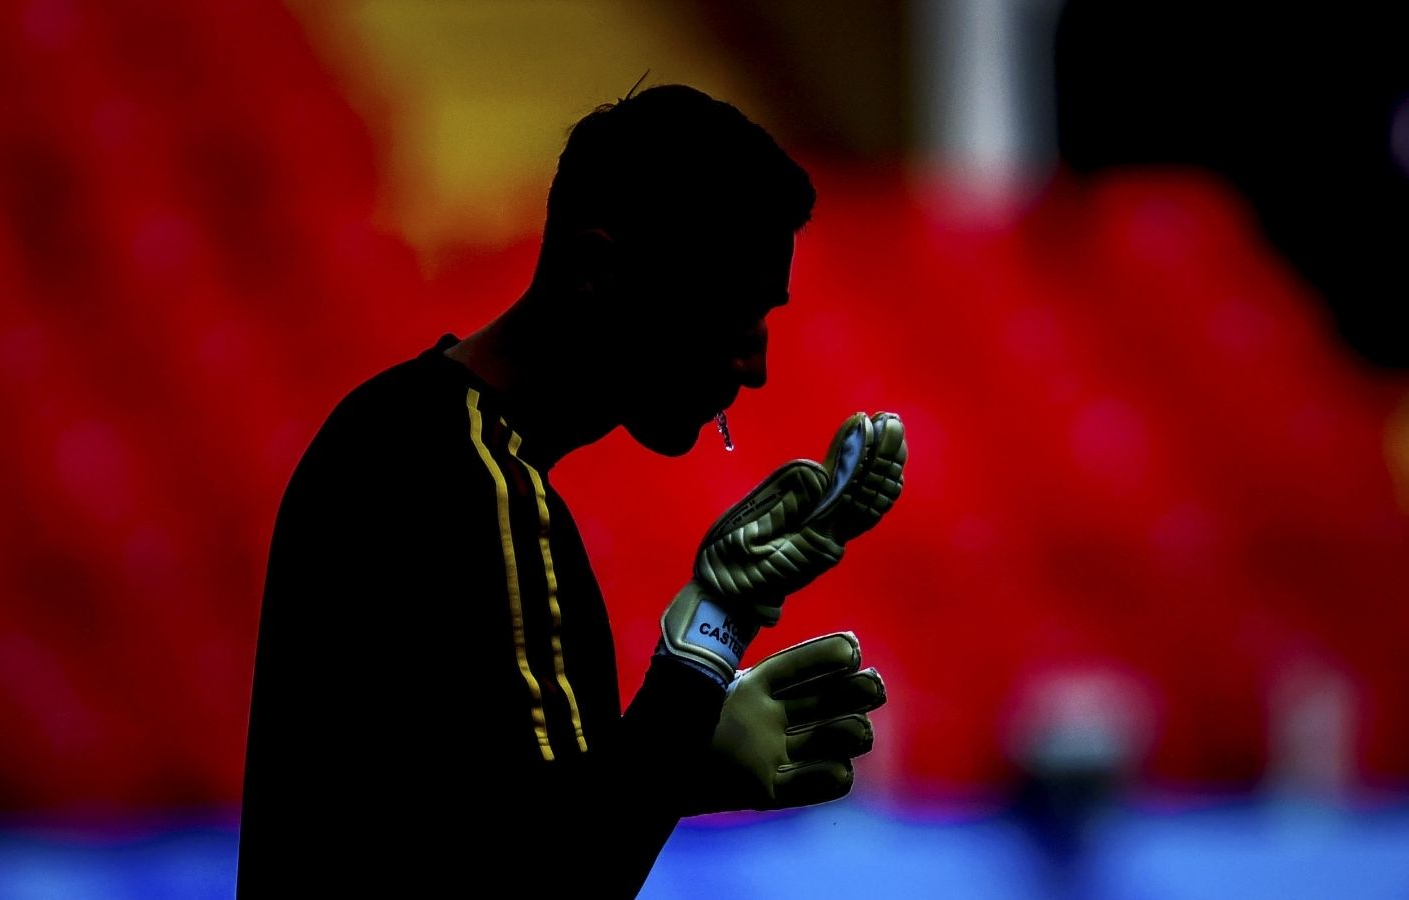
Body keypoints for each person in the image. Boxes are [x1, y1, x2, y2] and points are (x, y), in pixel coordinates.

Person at [236, 83, 907, 897]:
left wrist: (677, 762)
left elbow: (459, 822)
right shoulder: (481, 489)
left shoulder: (394, 429)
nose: (755, 365)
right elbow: (559, 879)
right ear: (598, 270)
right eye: (733, 313)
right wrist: (709, 636)